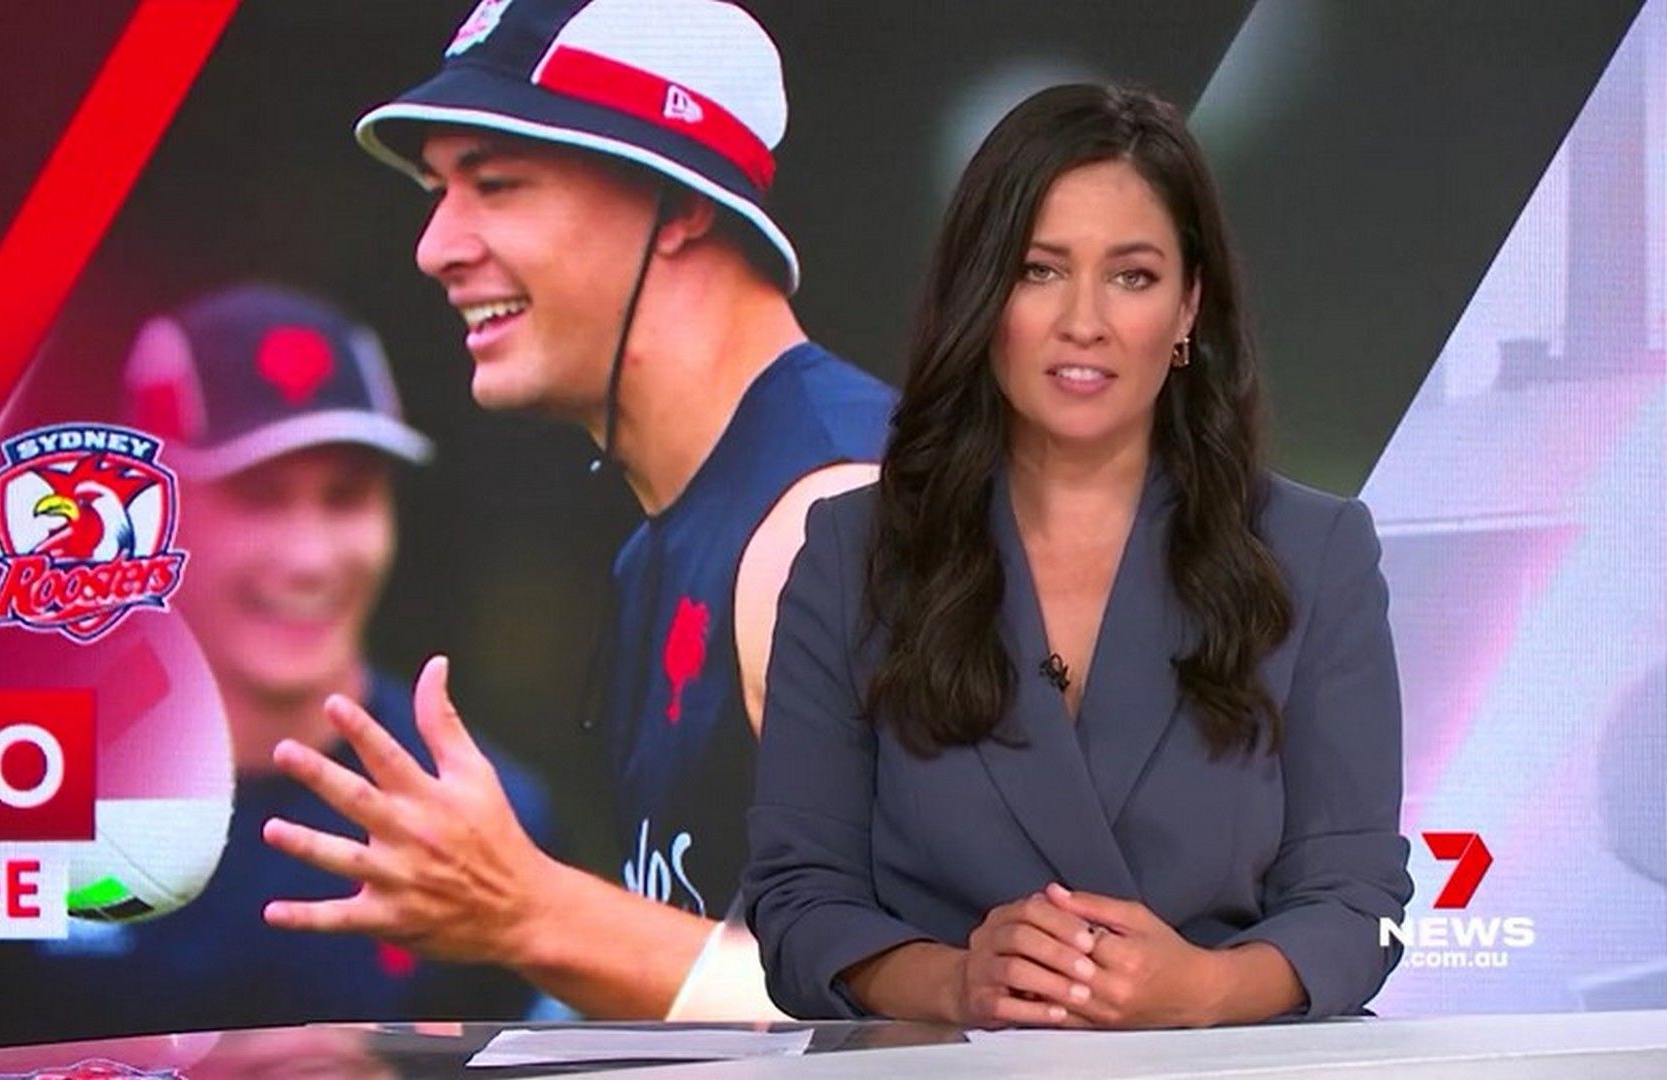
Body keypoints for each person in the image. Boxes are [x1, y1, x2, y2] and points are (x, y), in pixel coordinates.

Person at [260, 0, 894, 1019]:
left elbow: (970, 1017)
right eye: (437, 191)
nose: (436, 246)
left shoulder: (837, 530)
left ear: (678, 203)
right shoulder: (669, 538)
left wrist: (529, 914)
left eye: (497, 184)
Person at [743, 84, 1413, 1027]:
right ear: (984, 296)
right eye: (1039, 270)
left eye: (1132, 277)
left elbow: (1355, 904)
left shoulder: (1314, 553)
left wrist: (1202, 991)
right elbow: (799, 903)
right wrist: (957, 983)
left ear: (1188, 307)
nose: (1084, 321)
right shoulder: (853, 553)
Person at [0, 283, 561, 1049]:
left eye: (345, 497)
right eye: (258, 496)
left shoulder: (478, 814)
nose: (309, 558)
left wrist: (410, 1069)